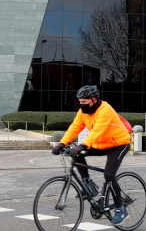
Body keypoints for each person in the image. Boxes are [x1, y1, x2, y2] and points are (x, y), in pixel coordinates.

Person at [51, 85, 131, 226]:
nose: (81, 105)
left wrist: (83, 144)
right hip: (101, 144)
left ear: (94, 100)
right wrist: (62, 144)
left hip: (118, 145)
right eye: (80, 102)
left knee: (109, 175)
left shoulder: (105, 110)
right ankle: (89, 185)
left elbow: (98, 130)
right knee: (75, 153)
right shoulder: (84, 112)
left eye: (84, 102)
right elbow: (75, 127)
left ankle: (120, 209)